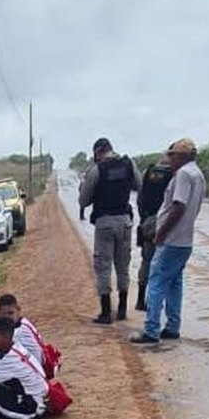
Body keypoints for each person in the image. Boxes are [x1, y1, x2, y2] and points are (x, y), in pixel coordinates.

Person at [131, 138, 206, 344]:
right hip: (184, 240)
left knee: (156, 283)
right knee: (174, 284)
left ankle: (151, 330)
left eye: (171, 156)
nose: (169, 160)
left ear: (181, 156)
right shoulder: (197, 174)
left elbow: (179, 206)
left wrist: (161, 232)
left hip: (172, 240)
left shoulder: (183, 174)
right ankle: (172, 326)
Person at [78, 137, 142, 324]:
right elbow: (139, 186)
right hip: (124, 221)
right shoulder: (129, 164)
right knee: (123, 265)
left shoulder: (97, 170)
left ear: (98, 152)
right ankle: (122, 309)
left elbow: (84, 201)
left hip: (104, 222)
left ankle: (106, 312)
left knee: (103, 266)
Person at [135, 158, 174, 311]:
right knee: (163, 264)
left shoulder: (148, 172)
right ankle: (156, 302)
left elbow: (140, 199)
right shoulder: (174, 175)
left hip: (148, 221)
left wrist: (144, 219)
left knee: (146, 261)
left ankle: (140, 299)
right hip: (166, 221)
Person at [0, 293, 45, 370]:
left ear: (18, 310)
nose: (8, 318)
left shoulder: (17, 332)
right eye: (4, 315)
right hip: (36, 364)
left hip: (33, 369)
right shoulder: (24, 321)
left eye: (10, 313)